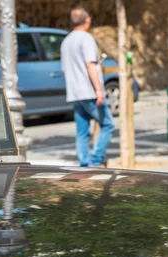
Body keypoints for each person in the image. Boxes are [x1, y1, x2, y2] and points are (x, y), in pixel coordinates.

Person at [60, 6, 114, 167]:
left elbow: (64, 70)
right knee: (107, 124)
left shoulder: (66, 41)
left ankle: (84, 164)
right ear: (88, 20)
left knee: (82, 132)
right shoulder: (86, 38)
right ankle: (96, 161)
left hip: (74, 93)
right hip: (89, 92)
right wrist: (99, 90)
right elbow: (90, 65)